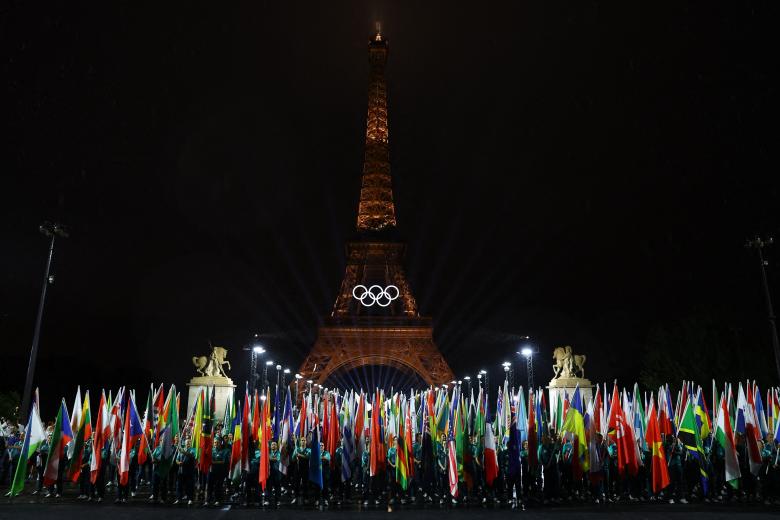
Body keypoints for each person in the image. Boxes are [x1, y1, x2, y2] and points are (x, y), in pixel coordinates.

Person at [207, 436, 230, 505]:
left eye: (217, 442)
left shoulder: (225, 451)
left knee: (218, 486)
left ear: (221, 442)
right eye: (214, 442)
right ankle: (208, 500)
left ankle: (217, 500)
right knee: (209, 486)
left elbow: (223, 461)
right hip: (211, 471)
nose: (215, 444)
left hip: (220, 472)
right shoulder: (211, 450)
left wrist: (213, 462)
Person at [174, 438, 196, 505]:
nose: (188, 443)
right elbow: (177, 459)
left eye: (189, 442)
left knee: (189, 486)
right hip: (181, 471)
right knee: (179, 485)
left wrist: (183, 452)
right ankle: (178, 499)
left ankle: (190, 499)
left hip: (189, 471)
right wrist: (178, 462)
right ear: (185, 443)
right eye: (187, 442)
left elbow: (191, 456)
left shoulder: (193, 449)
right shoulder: (181, 450)